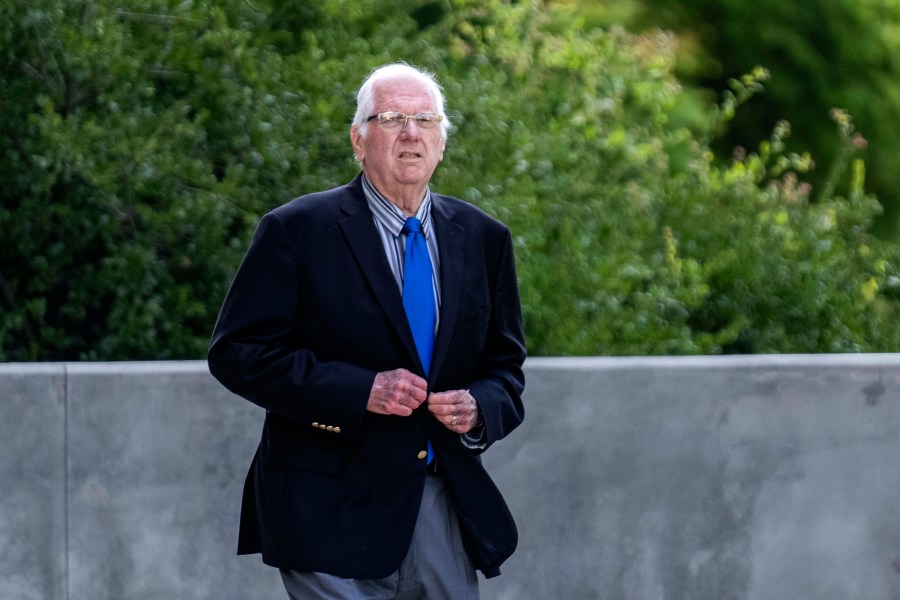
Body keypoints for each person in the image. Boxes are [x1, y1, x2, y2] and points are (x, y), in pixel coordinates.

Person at [208, 62, 526, 600]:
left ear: (442, 144)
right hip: (324, 503)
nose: (411, 133)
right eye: (393, 118)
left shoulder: (483, 238)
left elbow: (505, 371)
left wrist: (477, 408)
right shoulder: (296, 230)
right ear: (359, 140)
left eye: (426, 120)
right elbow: (238, 352)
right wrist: (361, 391)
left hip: (439, 503)